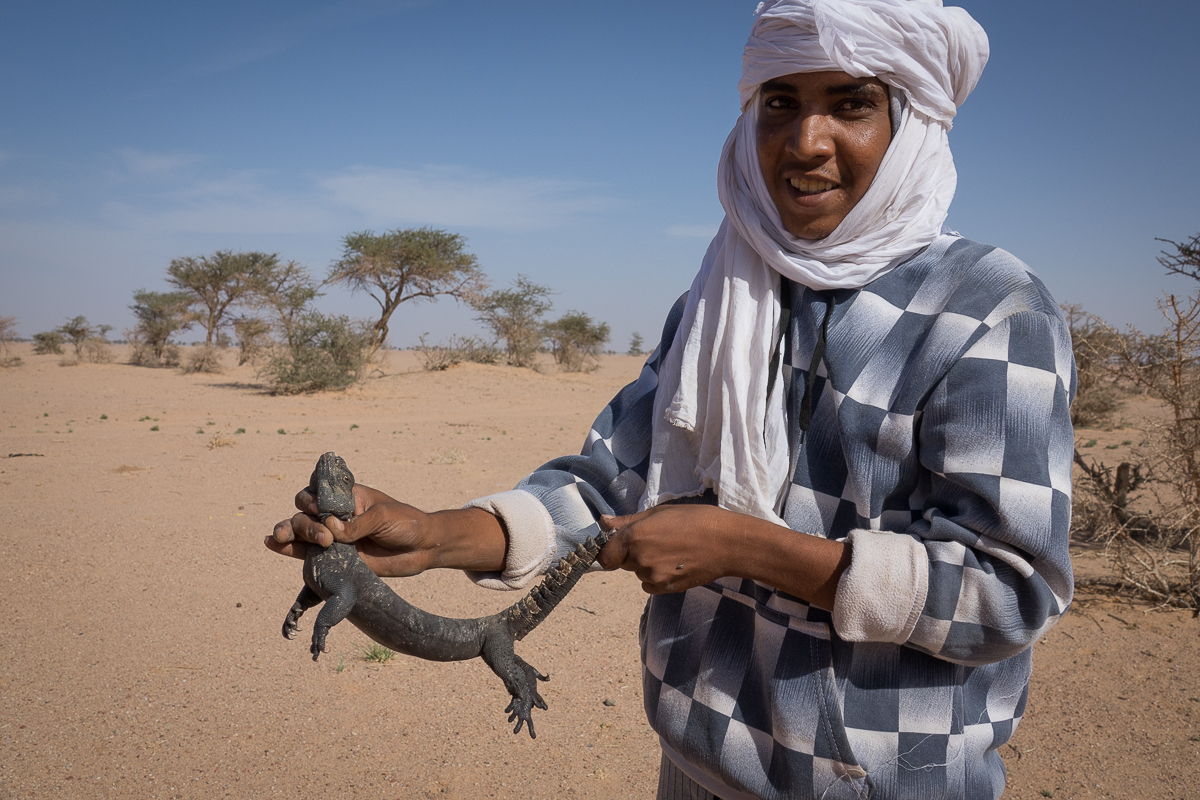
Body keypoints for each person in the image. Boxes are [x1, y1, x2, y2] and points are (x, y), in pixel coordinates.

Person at [267, 1, 1076, 798]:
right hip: (694, 765)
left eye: (851, 104)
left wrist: (746, 548)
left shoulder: (989, 306)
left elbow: (1011, 591)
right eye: (780, 103)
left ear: (910, 122)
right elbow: (607, 484)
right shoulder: (721, 295)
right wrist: (437, 535)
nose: (806, 141)